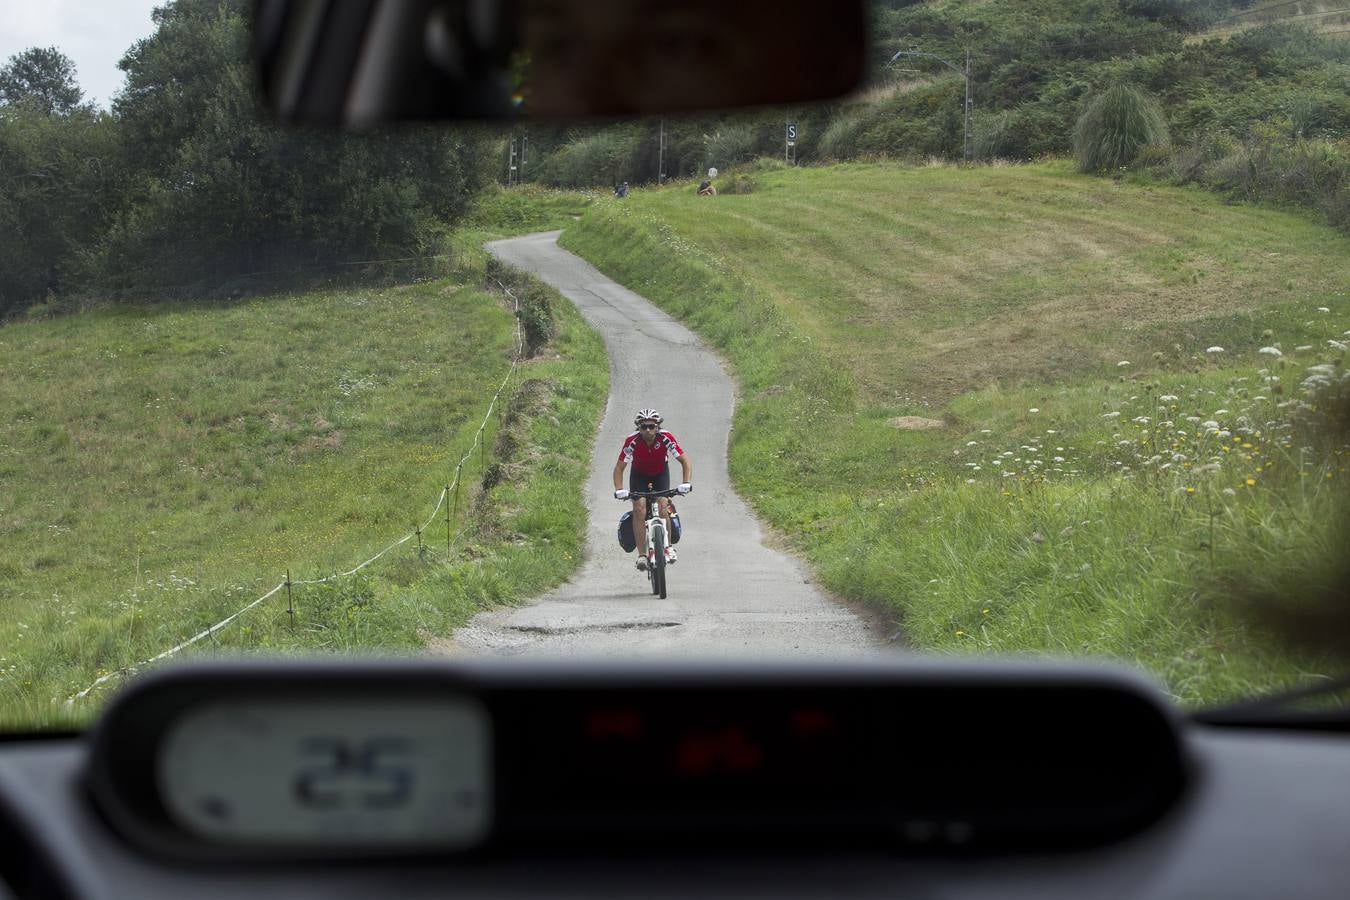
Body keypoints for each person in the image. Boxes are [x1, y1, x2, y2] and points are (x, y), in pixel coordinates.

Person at [613, 408, 692, 570]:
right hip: (639, 475)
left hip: (660, 473)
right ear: (638, 428)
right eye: (644, 427)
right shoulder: (632, 441)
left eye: (651, 426)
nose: (648, 430)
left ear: (657, 426)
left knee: (664, 507)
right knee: (639, 509)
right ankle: (642, 555)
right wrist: (619, 489)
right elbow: (619, 468)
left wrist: (686, 482)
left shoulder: (666, 438)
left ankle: (668, 547)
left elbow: (685, 461)